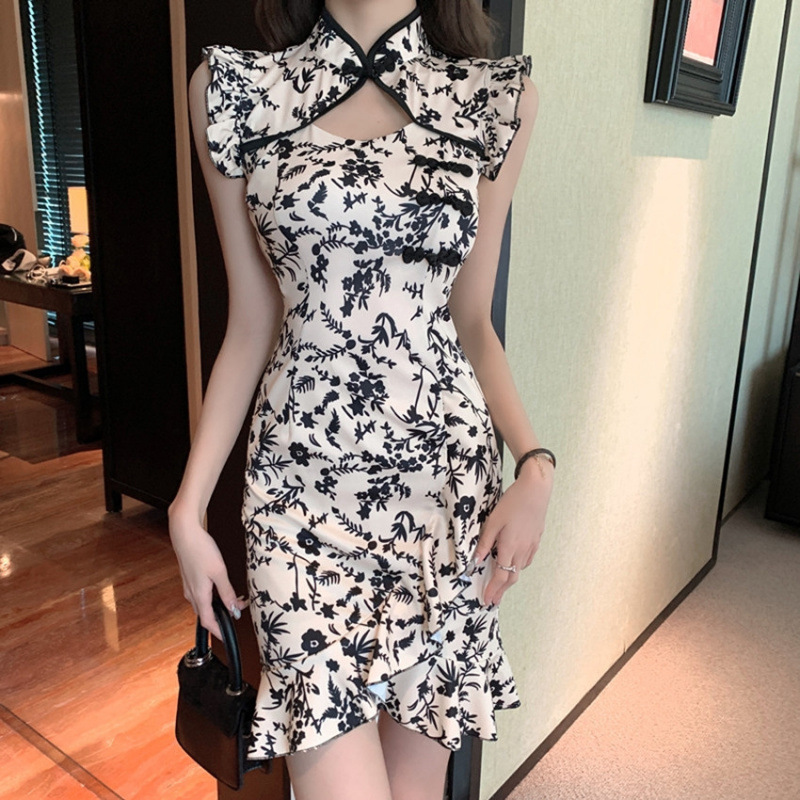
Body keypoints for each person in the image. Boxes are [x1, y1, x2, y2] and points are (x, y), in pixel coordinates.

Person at [168, 1, 555, 798]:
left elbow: (472, 322)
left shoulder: (495, 99)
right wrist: (187, 506)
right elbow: (251, 320)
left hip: (442, 500)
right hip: (299, 508)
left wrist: (537, 467)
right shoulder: (234, 90)